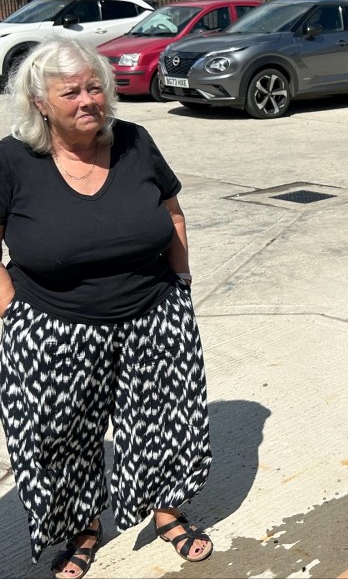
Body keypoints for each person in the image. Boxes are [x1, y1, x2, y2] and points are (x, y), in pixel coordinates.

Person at [0, 37, 213, 578]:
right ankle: (83, 527)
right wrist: (11, 313)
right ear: (39, 102)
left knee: (165, 421)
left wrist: (180, 284)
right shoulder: (11, 159)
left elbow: (173, 212)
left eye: (95, 87)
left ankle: (167, 512)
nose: (88, 100)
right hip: (52, 324)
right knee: (60, 435)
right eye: (70, 91)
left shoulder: (135, 142)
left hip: (153, 313)